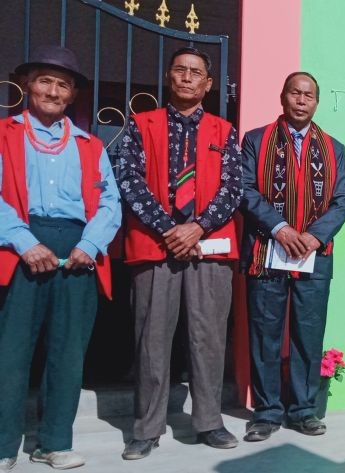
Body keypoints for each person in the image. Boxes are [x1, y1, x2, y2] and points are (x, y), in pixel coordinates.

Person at [117, 47, 243, 459]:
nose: (188, 78)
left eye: (196, 73)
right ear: (169, 77)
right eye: (180, 70)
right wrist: (170, 228)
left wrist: (197, 226)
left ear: (208, 84)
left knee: (208, 338)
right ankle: (147, 427)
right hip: (157, 247)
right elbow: (129, 181)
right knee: (151, 340)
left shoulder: (224, 131)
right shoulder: (141, 124)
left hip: (209, 248)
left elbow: (233, 188)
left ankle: (209, 421)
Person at [0, 45, 121, 471]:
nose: (53, 90)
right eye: (45, 81)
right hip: (18, 248)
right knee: (10, 353)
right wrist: (23, 241)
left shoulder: (90, 145)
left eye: (63, 85)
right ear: (28, 85)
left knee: (68, 352)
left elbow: (110, 202)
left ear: (72, 96)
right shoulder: (4, 134)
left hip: (77, 250)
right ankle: (2, 446)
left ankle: (53, 442)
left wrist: (89, 246)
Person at [240, 72, 345, 440]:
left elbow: (342, 201)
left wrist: (314, 237)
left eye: (309, 95)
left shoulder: (334, 148)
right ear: (283, 97)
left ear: (316, 102)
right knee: (265, 334)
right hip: (267, 251)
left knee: (308, 333)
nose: (302, 100)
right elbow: (245, 190)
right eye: (295, 93)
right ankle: (267, 412)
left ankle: (304, 410)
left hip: (314, 256)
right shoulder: (256, 141)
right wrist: (281, 229)